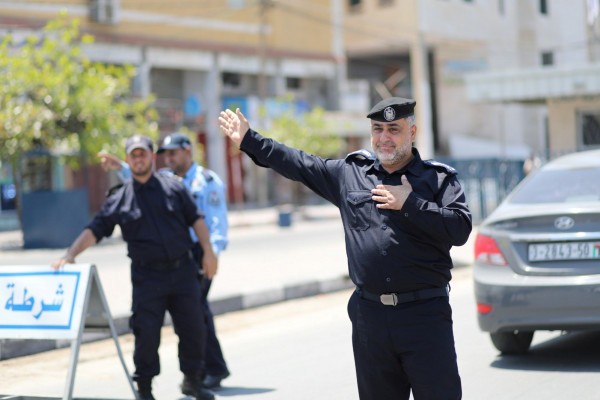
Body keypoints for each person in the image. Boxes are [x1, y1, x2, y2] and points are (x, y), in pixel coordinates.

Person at [218, 97, 472, 400]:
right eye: (378, 129)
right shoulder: (351, 173)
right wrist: (250, 140)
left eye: (394, 129)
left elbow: (460, 229)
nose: (384, 137)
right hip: (370, 317)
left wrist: (410, 204)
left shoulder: (438, 178)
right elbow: (299, 163)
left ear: (412, 131)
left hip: (425, 315)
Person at [53, 135, 217, 400]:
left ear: (152, 157)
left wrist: (209, 252)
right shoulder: (119, 198)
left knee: (193, 329)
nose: (139, 159)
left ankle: (192, 381)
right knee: (146, 334)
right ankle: (145, 389)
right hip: (147, 277)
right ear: (129, 159)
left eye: (143, 154)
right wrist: (70, 254)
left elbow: (196, 220)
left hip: (183, 271)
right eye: (134, 155)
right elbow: (95, 230)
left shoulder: (173, 187)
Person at [100, 133, 231, 390]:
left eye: (173, 153)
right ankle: (211, 368)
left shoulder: (206, 181)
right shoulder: (170, 180)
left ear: (187, 152)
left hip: (198, 254)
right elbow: (142, 182)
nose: (168, 158)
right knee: (197, 312)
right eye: (165, 154)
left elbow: (216, 223)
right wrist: (121, 166)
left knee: (196, 312)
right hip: (177, 254)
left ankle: (209, 369)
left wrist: (210, 253)